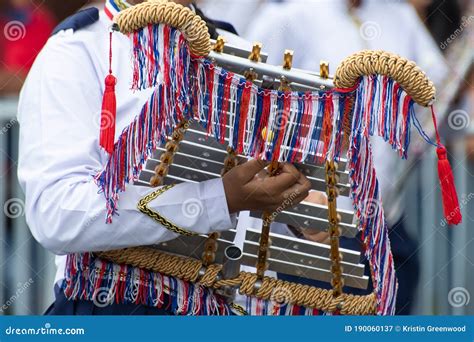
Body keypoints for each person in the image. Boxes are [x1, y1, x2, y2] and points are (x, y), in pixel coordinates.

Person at [17, 0, 312, 315]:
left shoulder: (240, 52)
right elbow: (57, 214)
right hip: (112, 306)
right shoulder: (76, 49)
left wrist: (297, 214)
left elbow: (252, 226)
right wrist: (218, 199)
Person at [247, 0, 449, 314]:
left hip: (388, 226)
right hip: (314, 229)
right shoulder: (287, 14)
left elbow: (441, 96)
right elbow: (250, 109)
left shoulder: (401, 16)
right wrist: (296, 200)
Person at [0, 0, 56, 95]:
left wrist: (22, 79)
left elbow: (50, 74)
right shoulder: (4, 21)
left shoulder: (43, 23)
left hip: (31, 94)